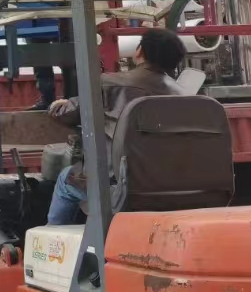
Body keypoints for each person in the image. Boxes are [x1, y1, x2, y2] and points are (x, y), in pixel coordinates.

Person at [45, 27, 187, 224]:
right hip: (173, 186)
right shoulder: (185, 94)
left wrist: (56, 105)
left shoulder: (109, 84)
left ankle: (54, 235)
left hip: (122, 187)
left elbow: (66, 114)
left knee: (66, 178)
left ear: (139, 51)